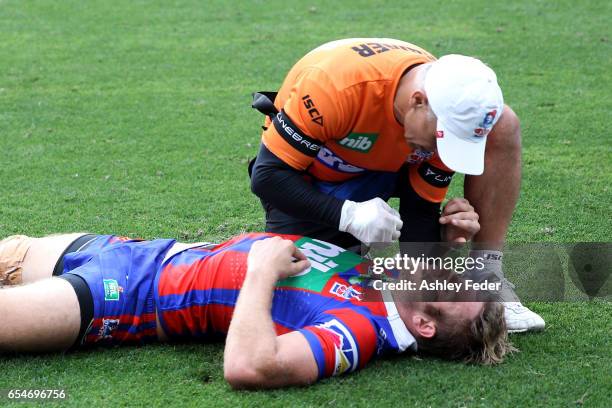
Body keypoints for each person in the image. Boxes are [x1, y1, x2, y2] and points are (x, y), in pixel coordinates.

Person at [249, 37, 544, 332]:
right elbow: (269, 176)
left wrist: (443, 241)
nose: (443, 151)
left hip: (388, 167)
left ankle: (486, 274)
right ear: (417, 101)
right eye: (444, 138)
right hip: (314, 178)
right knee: (297, 291)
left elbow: (419, 212)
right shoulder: (335, 86)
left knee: (504, 122)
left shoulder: (444, 115)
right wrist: (347, 215)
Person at [0, 230, 512, 389]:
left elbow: (251, 366)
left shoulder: (358, 332)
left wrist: (262, 270)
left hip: (128, 298)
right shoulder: (381, 279)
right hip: (140, 250)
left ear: (424, 324)